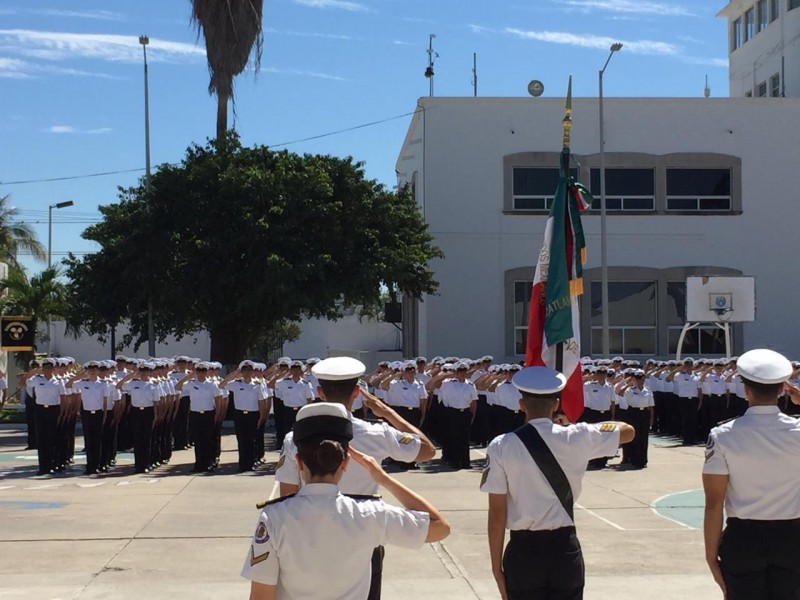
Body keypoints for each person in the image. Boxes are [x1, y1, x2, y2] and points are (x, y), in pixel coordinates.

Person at [242, 402, 449, 600]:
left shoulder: (274, 517)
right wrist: (384, 479)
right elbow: (440, 527)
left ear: (298, 462)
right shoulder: (370, 513)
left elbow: (261, 596)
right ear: (345, 463)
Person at [276, 356, 436, 600]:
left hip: (310, 530)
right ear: (357, 392)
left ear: (319, 392)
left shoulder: (294, 439)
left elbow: (286, 495)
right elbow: (427, 450)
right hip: (365, 527)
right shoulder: (377, 432)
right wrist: (387, 412)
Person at [480, 366, 634, 600]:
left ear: (521, 404)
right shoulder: (577, 435)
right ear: (555, 404)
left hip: (523, 552)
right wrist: (573, 425)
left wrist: (496, 567)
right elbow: (628, 431)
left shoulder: (501, 445)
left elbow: (497, 513)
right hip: (564, 549)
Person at [702, 348, 800, 600]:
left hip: (743, 540)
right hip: (792, 539)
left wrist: (711, 557)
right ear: (782, 389)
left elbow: (714, 503)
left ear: (745, 390)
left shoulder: (723, 435)